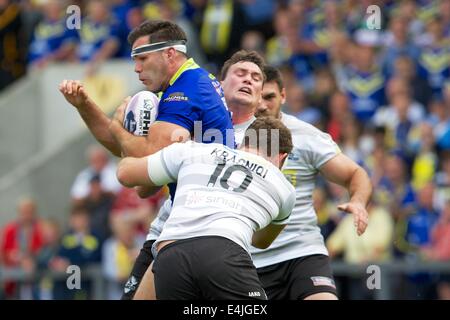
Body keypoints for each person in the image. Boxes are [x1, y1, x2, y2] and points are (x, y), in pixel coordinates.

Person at [59, 19, 234, 299]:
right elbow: (132, 154)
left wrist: (119, 128)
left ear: (170, 54)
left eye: (142, 58)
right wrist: (85, 105)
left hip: (199, 221)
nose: (136, 68)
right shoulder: (183, 84)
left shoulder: (185, 90)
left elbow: (143, 169)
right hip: (187, 213)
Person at [116, 117, 296, 299]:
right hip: (223, 252)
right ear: (283, 157)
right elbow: (261, 241)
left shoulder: (192, 150)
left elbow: (125, 173)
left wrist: (131, 135)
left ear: (243, 141)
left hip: (170, 256)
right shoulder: (284, 188)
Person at [251, 65, 372, 300]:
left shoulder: (307, 137)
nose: (263, 105)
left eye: (270, 97)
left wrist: (358, 201)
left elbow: (355, 174)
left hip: (302, 252)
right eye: (258, 97)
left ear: (283, 96)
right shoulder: (228, 136)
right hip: (249, 259)